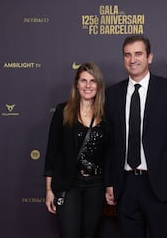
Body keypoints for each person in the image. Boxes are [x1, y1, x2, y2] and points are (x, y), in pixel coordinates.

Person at [104, 35, 167, 238]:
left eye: (138, 54)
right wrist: (109, 182)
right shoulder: (113, 94)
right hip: (125, 185)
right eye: (127, 55)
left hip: (158, 185)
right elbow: (110, 144)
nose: (132, 59)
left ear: (149, 57)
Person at [44, 62, 108, 238]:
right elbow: (52, 152)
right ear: (76, 84)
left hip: (96, 185)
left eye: (93, 81)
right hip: (69, 184)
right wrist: (49, 190)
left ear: (99, 85)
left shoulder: (107, 115)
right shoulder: (63, 111)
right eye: (83, 81)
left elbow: (112, 153)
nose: (88, 86)